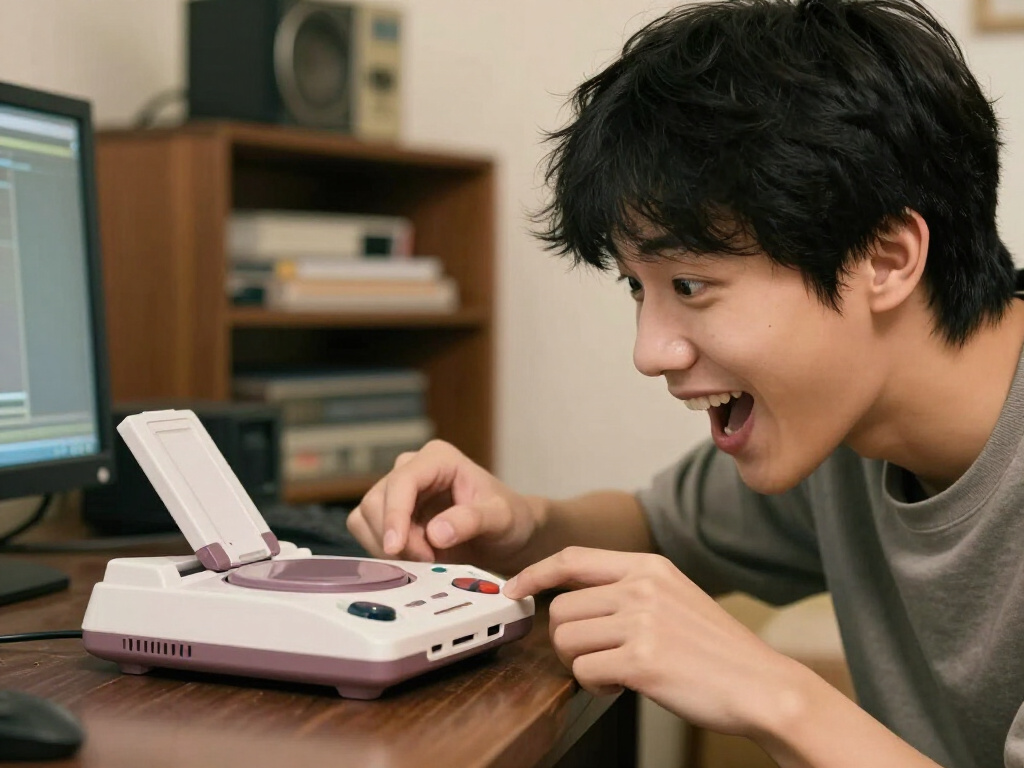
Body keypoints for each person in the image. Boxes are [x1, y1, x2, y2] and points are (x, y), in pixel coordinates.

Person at [346, 0, 1024, 764]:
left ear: (887, 260)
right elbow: (658, 529)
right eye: (641, 287)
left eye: (692, 285)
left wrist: (772, 691)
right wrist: (519, 521)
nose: (651, 351)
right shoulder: (843, 428)